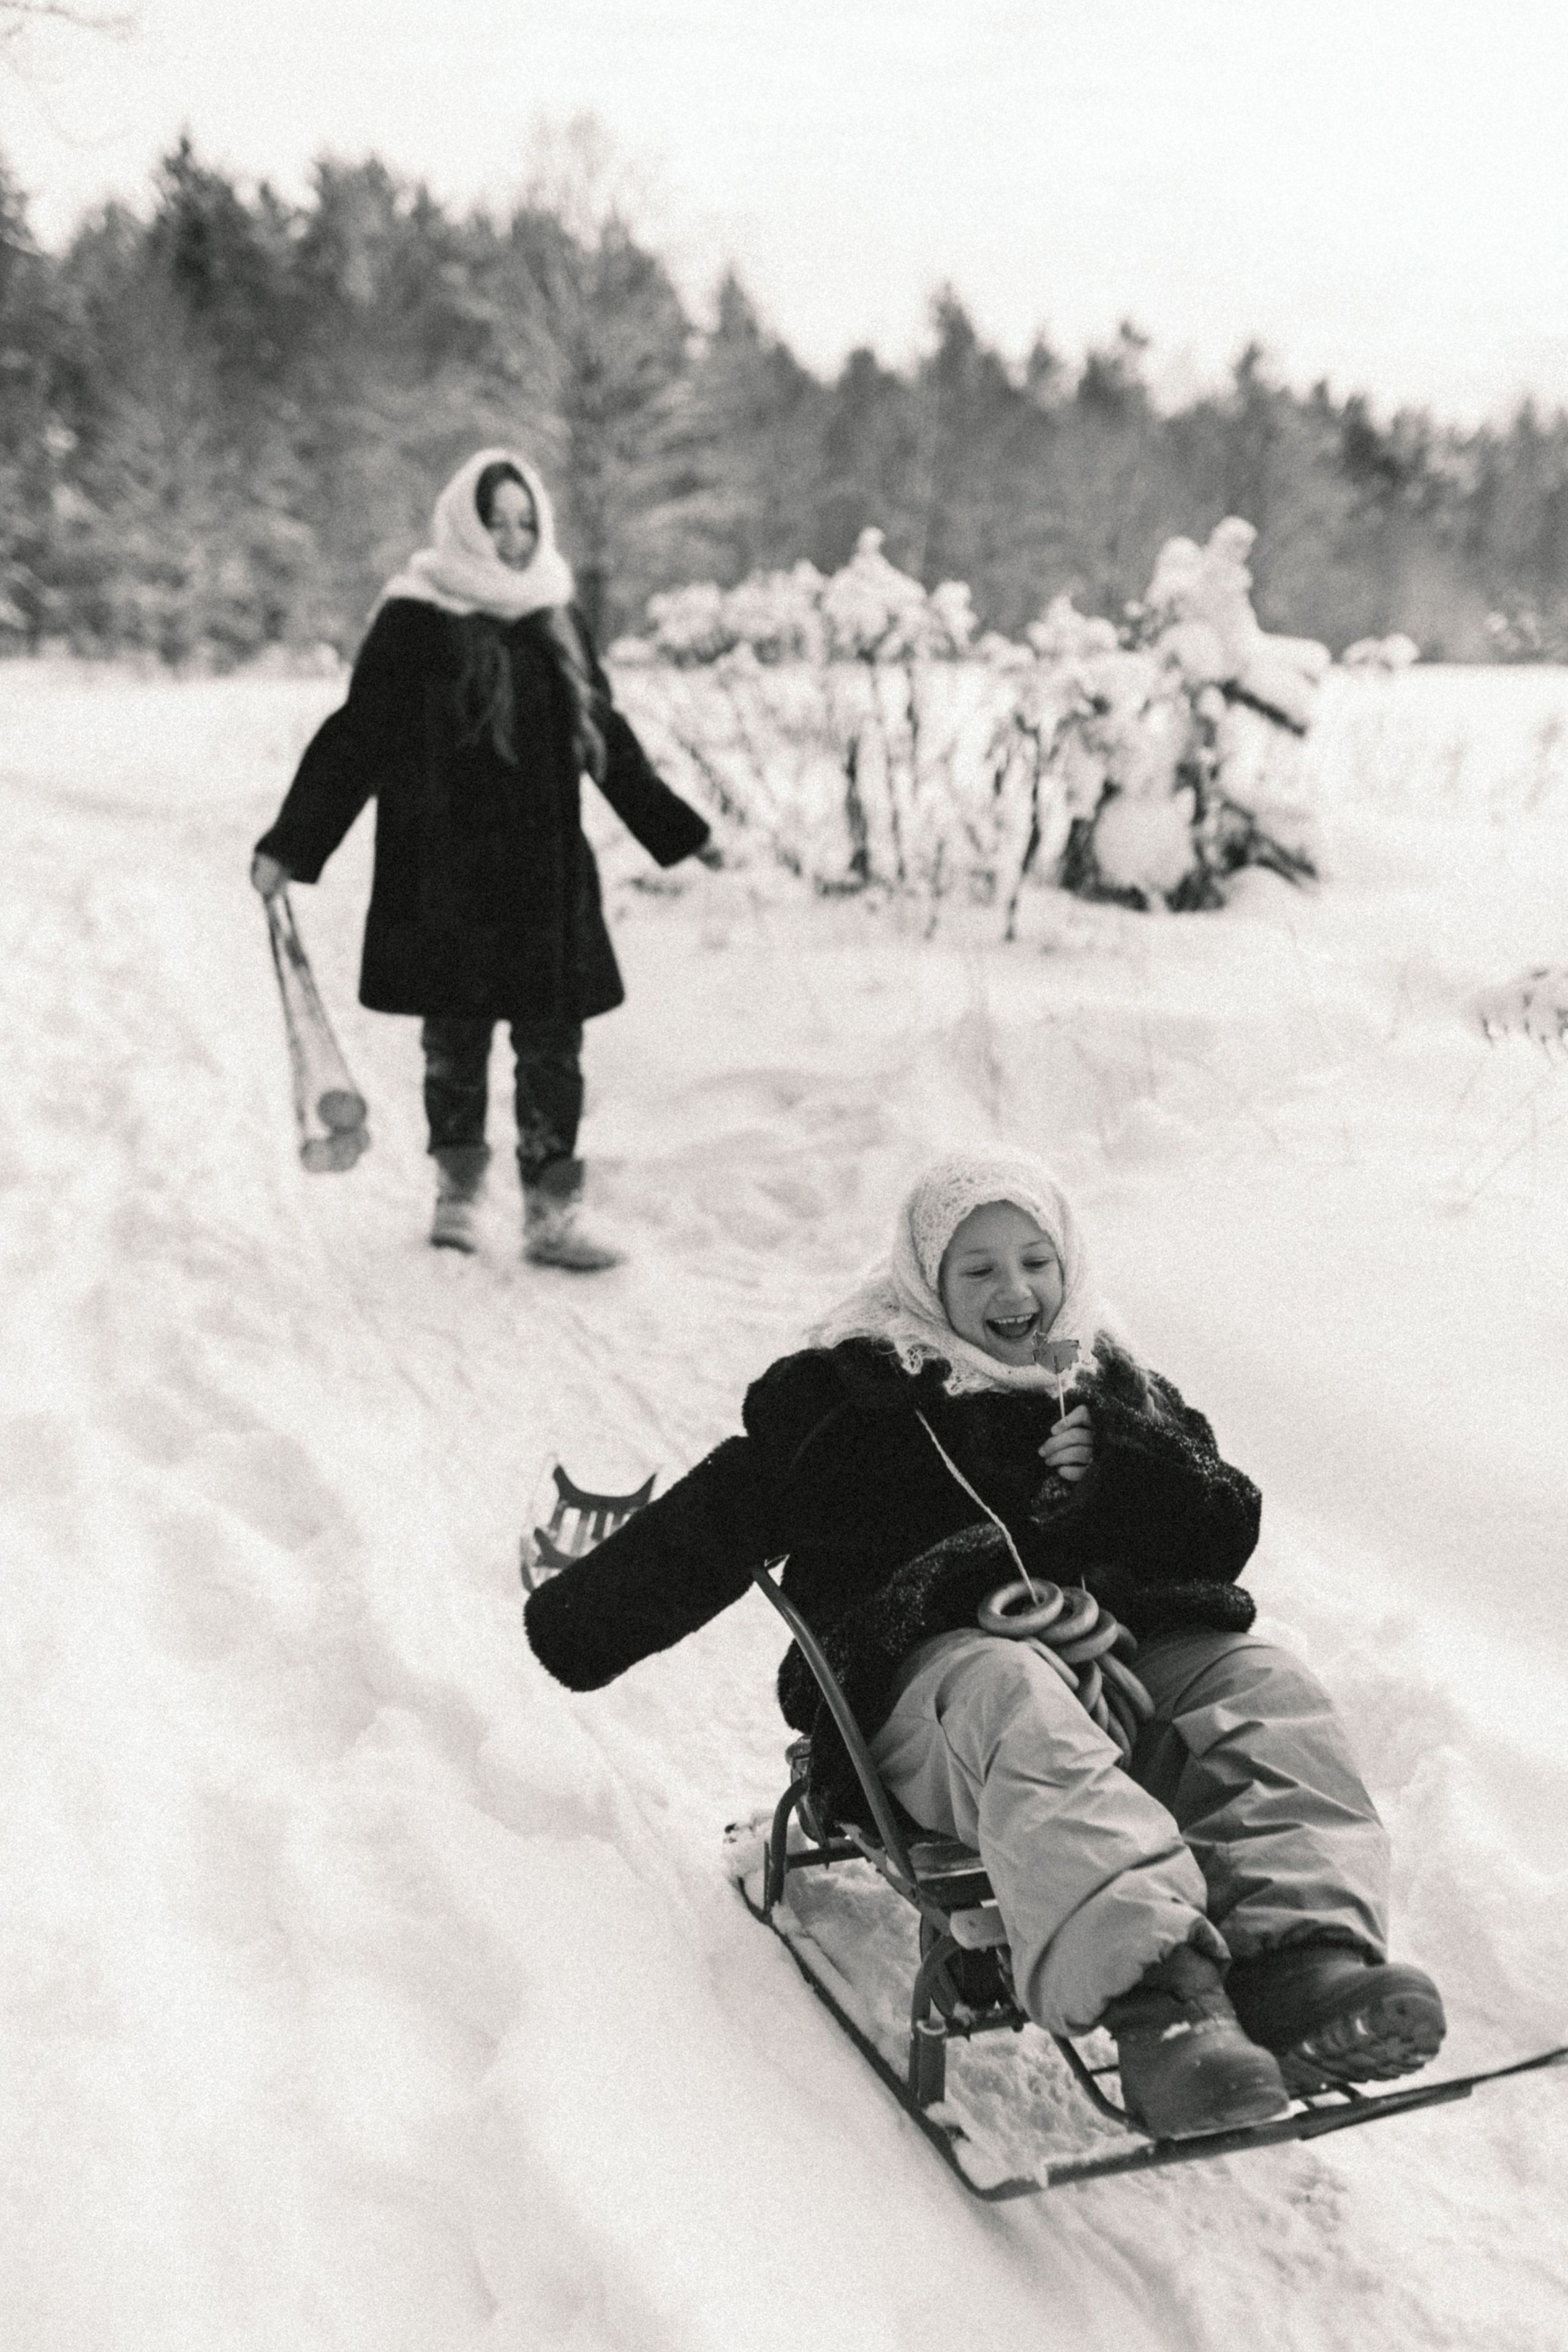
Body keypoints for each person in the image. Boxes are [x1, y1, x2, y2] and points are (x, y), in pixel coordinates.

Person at [524, 1145, 1447, 2141]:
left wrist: (1125, 1469)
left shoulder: (1116, 1383)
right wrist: (576, 1626)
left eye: (1036, 1261)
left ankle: (1303, 1970)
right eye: (979, 1269)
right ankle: (1165, 2013)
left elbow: (1225, 1528)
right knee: (1014, 1691)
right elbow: (718, 1520)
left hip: (1120, 1665)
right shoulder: (849, 1403)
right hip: (935, 1687)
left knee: (1264, 1683)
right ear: (929, 1279)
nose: (1016, 1290)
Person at [251, 447, 717, 1267]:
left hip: (545, 874)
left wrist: (684, 831)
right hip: (444, 871)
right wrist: (292, 845)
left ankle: (549, 1214)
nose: (511, 539)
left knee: (553, 1048)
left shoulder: (555, 615)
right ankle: (457, 1193)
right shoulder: (414, 616)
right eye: (496, 522)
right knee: (455, 1043)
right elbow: (356, 739)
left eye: (524, 523)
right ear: (464, 524)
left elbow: (605, 737)